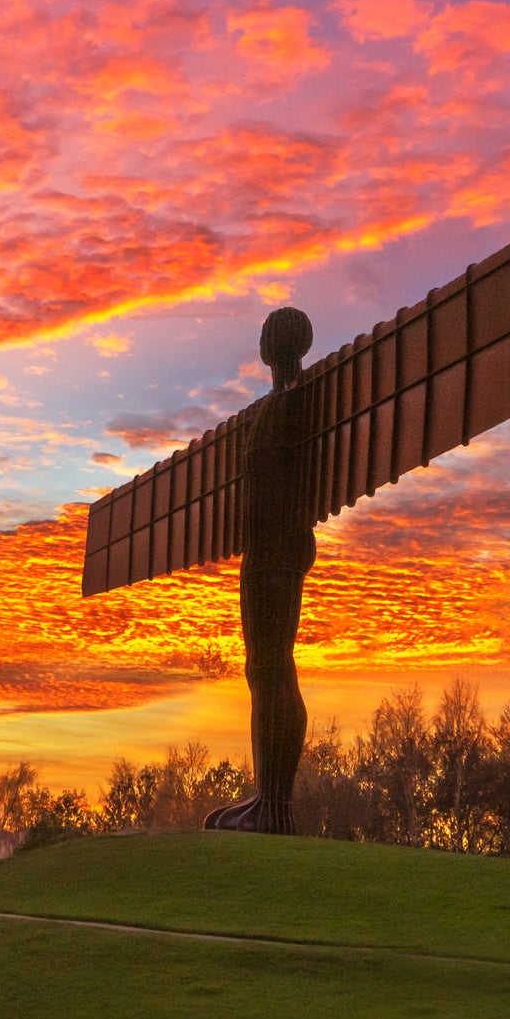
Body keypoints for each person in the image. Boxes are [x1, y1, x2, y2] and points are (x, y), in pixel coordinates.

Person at [204, 306, 316, 834]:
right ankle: (267, 796)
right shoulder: (274, 406)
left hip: (277, 549)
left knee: (273, 665)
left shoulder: (293, 403)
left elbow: (285, 484)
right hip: (264, 550)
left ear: (275, 345)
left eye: (266, 334)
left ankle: (276, 804)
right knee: (261, 667)